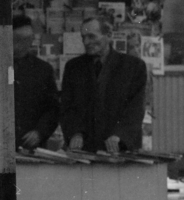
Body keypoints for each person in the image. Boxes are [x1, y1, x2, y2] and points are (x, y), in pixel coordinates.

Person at [0, 13, 61, 153]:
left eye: (29, 39)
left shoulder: (43, 70)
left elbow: (52, 108)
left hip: (30, 145)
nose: (26, 44)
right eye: (20, 39)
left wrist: (40, 132)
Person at [59, 16, 148, 155]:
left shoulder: (133, 67)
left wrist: (120, 135)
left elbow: (136, 108)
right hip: (85, 148)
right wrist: (75, 133)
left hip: (121, 148)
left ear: (109, 35)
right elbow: (67, 107)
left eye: (91, 36)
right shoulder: (73, 68)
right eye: (83, 37)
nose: (86, 42)